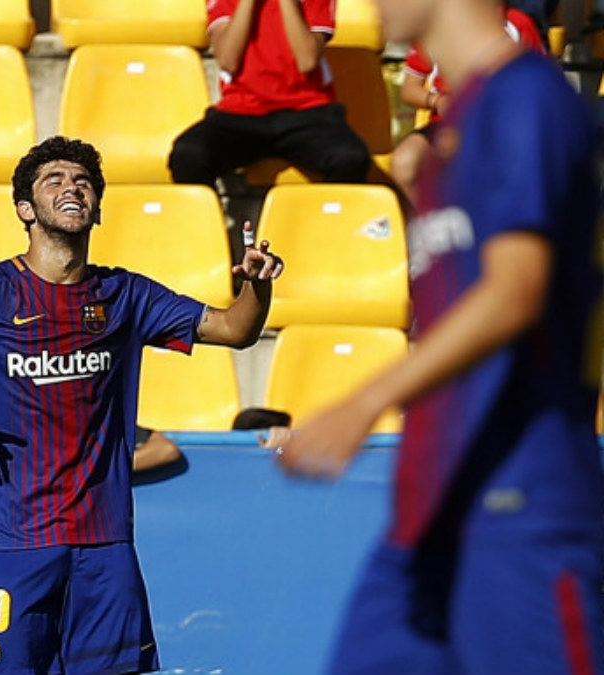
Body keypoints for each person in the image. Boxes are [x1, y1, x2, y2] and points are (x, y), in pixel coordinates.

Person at [0, 136, 284, 675]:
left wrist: (257, 286)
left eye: (83, 182)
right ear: (25, 208)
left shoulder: (125, 295)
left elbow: (235, 328)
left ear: (97, 209)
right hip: (12, 544)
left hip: (104, 546)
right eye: (55, 180)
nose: (72, 187)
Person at [277, 0, 604, 671]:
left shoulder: (528, 98)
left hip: (521, 510)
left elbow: (516, 290)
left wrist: (362, 402)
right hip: (427, 513)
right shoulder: (447, 135)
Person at [167, 0, 371, 187]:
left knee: (350, 158)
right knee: (189, 154)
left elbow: (306, 60)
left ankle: (329, 223)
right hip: (241, 113)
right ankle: (207, 225)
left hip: (305, 112)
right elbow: (228, 60)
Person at [392, 0, 545, 205]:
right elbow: (409, 89)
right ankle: (432, 228)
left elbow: (537, 83)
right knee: (404, 162)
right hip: (445, 123)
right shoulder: (432, 22)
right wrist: (437, 100)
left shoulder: (518, 23)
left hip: (498, 126)